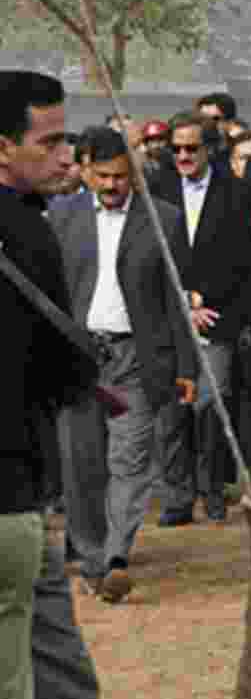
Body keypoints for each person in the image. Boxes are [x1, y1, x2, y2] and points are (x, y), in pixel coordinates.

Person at [49, 127, 196, 604]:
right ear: (86, 170)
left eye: (122, 176)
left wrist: (187, 367)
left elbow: (178, 300)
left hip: (138, 359)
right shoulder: (62, 217)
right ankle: (91, 556)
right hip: (78, 358)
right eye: (104, 176)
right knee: (82, 463)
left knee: (130, 460)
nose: (113, 185)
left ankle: (116, 556)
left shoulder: (165, 221)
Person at [0, 69, 99, 699]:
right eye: (50, 142)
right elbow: (58, 371)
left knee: (50, 645)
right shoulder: (29, 232)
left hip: (23, 490)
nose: (67, 155)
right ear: (3, 147)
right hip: (13, 487)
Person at [147, 111, 251, 525]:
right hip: (168, 314)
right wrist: (180, 304)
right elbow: (150, 254)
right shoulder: (155, 188)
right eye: (175, 149)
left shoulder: (239, 193)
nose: (182, 156)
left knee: (213, 407)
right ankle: (177, 495)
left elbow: (245, 258)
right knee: (173, 408)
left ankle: (212, 490)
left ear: (209, 148)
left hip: (218, 315)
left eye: (191, 148)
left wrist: (209, 305)